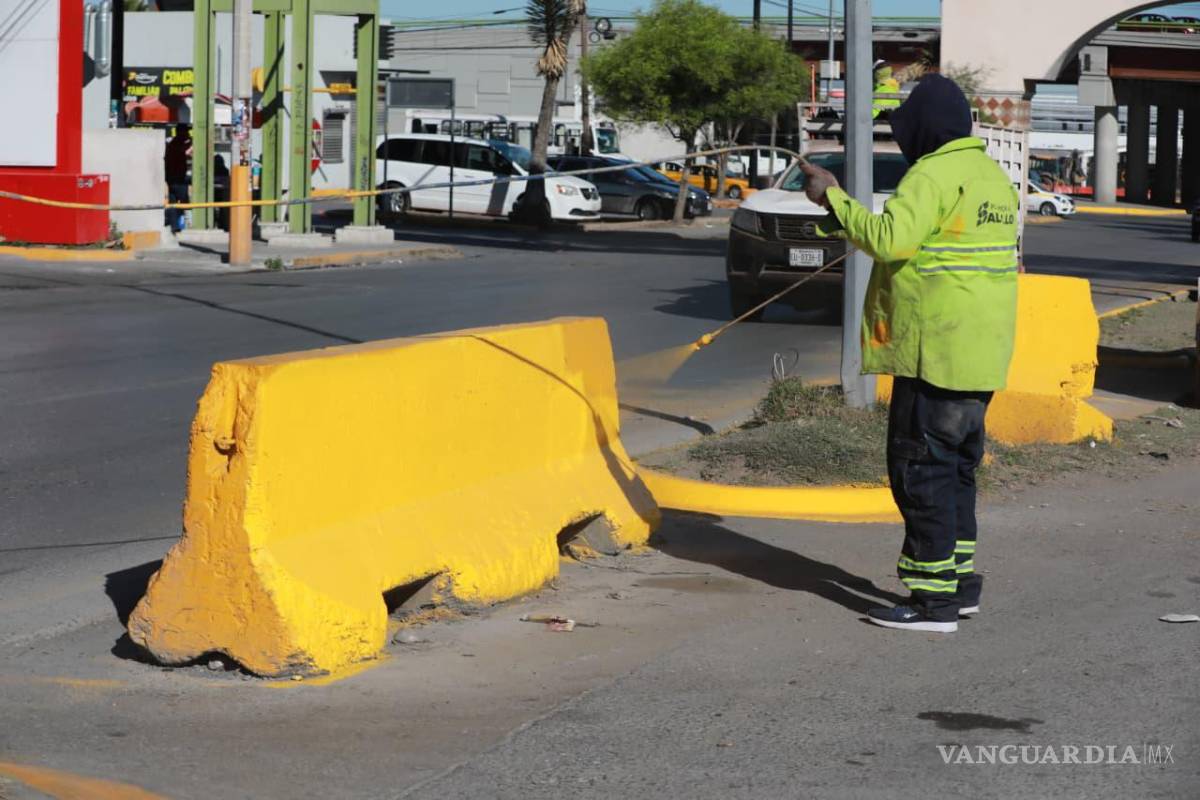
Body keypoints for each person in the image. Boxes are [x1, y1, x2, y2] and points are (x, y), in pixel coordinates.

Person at [800, 74, 1019, 633]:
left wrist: (832, 196)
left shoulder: (932, 174)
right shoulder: (992, 178)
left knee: (921, 474)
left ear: (925, 128)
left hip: (934, 353)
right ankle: (958, 587)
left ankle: (931, 603)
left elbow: (889, 240)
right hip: (981, 355)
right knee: (957, 474)